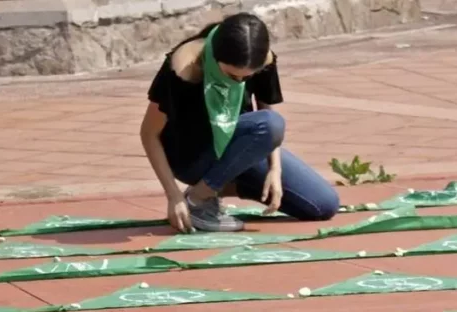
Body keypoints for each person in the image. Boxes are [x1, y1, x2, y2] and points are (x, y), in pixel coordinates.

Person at [139, 13, 340, 233]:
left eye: (246, 77)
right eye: (231, 75)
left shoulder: (262, 60)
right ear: (215, 55)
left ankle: (211, 188)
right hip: (192, 155)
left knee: (323, 205)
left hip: (239, 148)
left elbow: (265, 113)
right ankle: (198, 199)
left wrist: (275, 170)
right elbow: (149, 134)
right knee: (270, 124)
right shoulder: (184, 67)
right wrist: (173, 196)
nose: (239, 82)